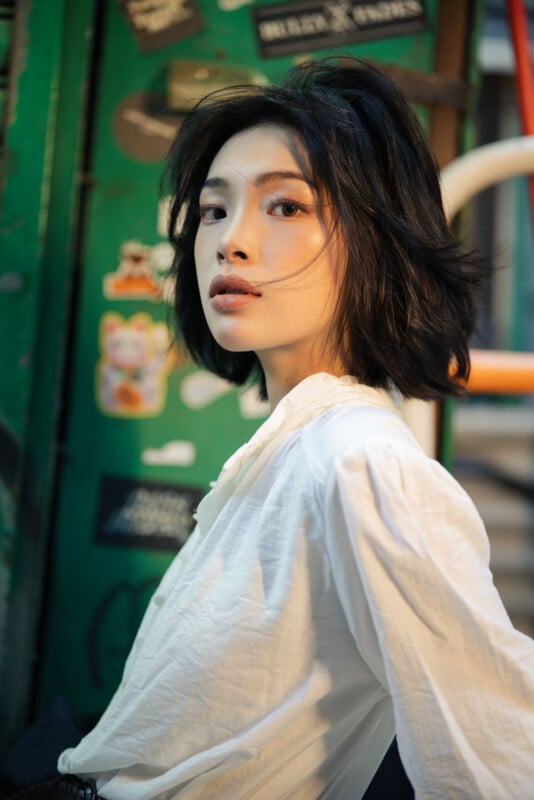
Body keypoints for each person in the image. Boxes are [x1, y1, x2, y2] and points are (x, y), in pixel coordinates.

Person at [12, 56, 534, 799]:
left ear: (377, 243)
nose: (231, 241)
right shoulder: (290, 448)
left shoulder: (363, 464)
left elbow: (495, 755)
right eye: (215, 210)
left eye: (286, 207)